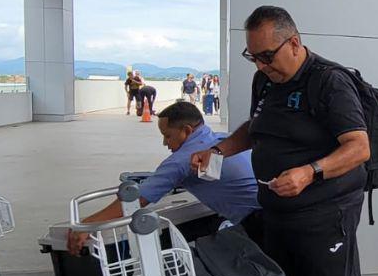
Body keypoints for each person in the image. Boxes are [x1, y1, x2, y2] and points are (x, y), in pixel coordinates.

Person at [189, 5, 370, 276]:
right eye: (253, 57)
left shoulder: (328, 82)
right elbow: (256, 128)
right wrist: (218, 150)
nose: (261, 66)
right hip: (276, 211)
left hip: (324, 213)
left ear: (294, 43)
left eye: (267, 56)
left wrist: (310, 171)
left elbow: (359, 148)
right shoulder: (265, 81)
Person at [66, 101, 262, 254]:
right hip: (272, 211)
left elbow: (138, 198)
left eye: (167, 136)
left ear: (186, 131)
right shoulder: (226, 140)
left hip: (256, 225)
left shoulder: (182, 160)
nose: (164, 143)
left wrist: (87, 225)